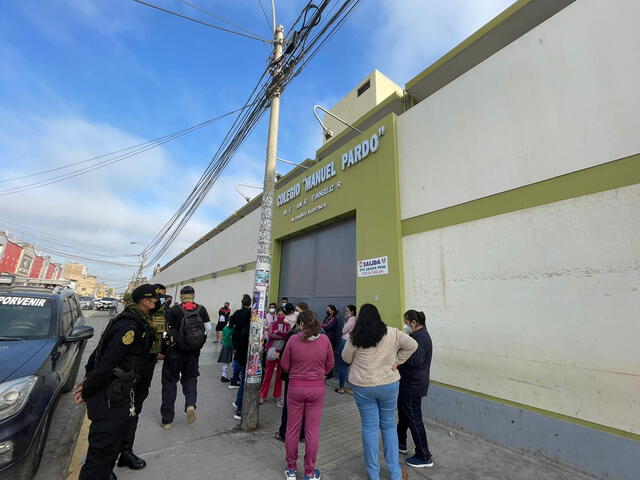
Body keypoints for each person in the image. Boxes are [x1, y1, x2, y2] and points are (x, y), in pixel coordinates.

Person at [74, 284, 159, 480]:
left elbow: (101, 353)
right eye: (155, 299)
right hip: (111, 392)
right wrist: (87, 388)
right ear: (145, 301)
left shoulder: (137, 320)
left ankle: (104, 473)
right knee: (103, 448)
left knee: (111, 444)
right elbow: (107, 360)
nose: (158, 302)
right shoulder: (129, 326)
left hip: (120, 390)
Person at [342, 304, 418, 480]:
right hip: (388, 384)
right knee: (389, 426)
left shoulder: (355, 337)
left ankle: (374, 474)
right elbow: (412, 344)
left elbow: (346, 358)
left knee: (369, 428)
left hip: (363, 386)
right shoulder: (392, 332)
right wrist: (398, 361)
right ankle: (395, 473)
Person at [117, 284, 170, 470]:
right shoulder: (131, 317)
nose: (159, 300)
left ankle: (125, 451)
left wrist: (162, 349)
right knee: (119, 412)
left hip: (147, 364)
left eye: (161, 297)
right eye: (157, 297)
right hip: (127, 370)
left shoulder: (157, 314)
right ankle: (105, 462)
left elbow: (161, 334)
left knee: (134, 410)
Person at [281, 310, 334, 480]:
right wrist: (319, 375)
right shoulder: (325, 340)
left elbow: (284, 364)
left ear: (301, 324)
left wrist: (296, 373)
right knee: (312, 431)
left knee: (292, 429)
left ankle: (291, 469)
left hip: (295, 388)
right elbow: (330, 363)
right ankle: (310, 472)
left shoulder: (293, 340)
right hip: (316, 389)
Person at [160, 285, 211, 429]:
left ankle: (167, 420)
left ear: (181, 296)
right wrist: (198, 344)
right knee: (190, 378)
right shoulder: (201, 309)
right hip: (193, 354)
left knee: (169, 383)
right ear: (193, 295)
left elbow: (165, 333)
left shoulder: (173, 310)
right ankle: (190, 404)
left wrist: (163, 351)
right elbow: (208, 330)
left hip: (174, 353)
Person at [398, 310, 434, 468]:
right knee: (405, 415)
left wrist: (398, 357)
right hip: (408, 384)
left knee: (414, 419)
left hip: (413, 385)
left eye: (406, 322)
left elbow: (415, 361)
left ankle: (424, 455)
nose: (405, 325)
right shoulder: (421, 335)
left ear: (413, 323)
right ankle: (401, 443)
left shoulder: (418, 338)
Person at [274, 303, 306, 440]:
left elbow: (285, 360)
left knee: (289, 406)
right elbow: (328, 363)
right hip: (311, 381)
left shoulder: (293, 335)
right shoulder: (321, 336)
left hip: (293, 378)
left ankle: (284, 433)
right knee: (305, 408)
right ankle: (302, 434)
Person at [259, 306, 291, 404]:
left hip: (282, 352)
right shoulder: (272, 324)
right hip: (272, 350)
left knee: (279, 375)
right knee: (268, 374)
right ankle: (262, 395)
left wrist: (279, 333)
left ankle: (277, 395)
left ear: (285, 315)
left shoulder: (288, 325)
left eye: (282, 314)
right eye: (279, 314)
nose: (281, 316)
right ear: (277, 315)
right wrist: (282, 334)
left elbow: (288, 334)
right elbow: (271, 334)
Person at [230, 294, 252, 420]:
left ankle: (238, 401)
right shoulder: (249, 318)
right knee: (245, 378)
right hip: (244, 348)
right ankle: (239, 409)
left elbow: (230, 324)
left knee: (238, 367)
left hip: (237, 345)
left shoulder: (237, 313)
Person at [335, 304, 357, 394]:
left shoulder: (352, 319)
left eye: (347, 311)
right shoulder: (356, 319)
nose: (346, 312)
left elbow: (344, 330)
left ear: (352, 312)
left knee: (342, 365)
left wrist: (346, 320)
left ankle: (341, 388)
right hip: (352, 341)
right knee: (350, 365)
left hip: (345, 341)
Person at [321, 305, 339, 379]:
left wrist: (322, 325)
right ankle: (325, 372)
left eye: (328, 309)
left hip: (331, 339)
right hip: (325, 338)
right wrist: (322, 325)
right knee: (324, 356)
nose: (327, 310)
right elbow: (323, 324)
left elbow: (327, 327)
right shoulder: (327, 317)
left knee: (329, 357)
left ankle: (330, 374)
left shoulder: (334, 319)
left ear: (332, 311)